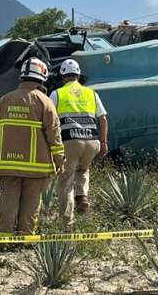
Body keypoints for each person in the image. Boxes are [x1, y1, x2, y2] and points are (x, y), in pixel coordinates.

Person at [0, 57, 65, 236]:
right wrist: (60, 160)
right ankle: (26, 238)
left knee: (7, 200)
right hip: (36, 166)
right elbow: (54, 134)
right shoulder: (45, 102)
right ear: (41, 78)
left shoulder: (5, 100)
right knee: (31, 202)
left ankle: (4, 238)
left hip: (7, 164)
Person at [50, 59, 108, 227]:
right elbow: (103, 118)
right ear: (79, 75)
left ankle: (67, 222)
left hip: (69, 141)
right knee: (83, 169)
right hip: (91, 141)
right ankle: (82, 195)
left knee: (65, 181)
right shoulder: (91, 93)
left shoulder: (57, 94)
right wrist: (103, 142)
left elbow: (49, 119)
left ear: (62, 76)